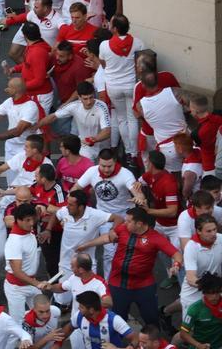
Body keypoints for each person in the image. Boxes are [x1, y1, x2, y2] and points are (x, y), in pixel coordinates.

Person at [76, 207, 182, 328]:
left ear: (139, 224)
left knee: (151, 319)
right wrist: (86, 245)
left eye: (129, 221)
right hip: (118, 284)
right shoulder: (123, 229)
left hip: (143, 286)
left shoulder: (155, 238)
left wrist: (176, 265)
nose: (125, 223)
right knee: (117, 320)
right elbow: (106, 238)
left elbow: (176, 254)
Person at [47, 190, 120, 306]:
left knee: (87, 301)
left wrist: (112, 230)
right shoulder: (65, 211)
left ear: (80, 207)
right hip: (66, 265)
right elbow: (56, 215)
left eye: (71, 205)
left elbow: (118, 218)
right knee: (63, 300)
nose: (67, 207)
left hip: (87, 267)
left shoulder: (95, 215)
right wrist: (48, 230)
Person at [99, 15, 144, 162]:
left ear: (115, 29)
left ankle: (129, 150)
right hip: (131, 85)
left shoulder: (104, 45)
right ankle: (134, 153)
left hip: (113, 86)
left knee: (121, 119)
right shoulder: (138, 43)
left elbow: (103, 64)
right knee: (132, 119)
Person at [36, 81, 111, 160]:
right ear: (79, 97)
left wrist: (94, 139)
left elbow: (107, 131)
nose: (89, 102)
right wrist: (36, 126)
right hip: (85, 146)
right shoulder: (74, 106)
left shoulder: (101, 106)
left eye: (91, 97)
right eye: (85, 99)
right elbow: (53, 116)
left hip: (102, 145)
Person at [3, 203, 47, 325]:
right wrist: (37, 283)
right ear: (18, 220)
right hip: (16, 288)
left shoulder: (28, 230)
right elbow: (17, 272)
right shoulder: (14, 242)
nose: (31, 223)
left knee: (43, 316)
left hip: (30, 283)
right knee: (17, 324)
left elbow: (37, 213)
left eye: (32, 219)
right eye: (27, 220)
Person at [56, 291, 136, 349]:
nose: (78, 308)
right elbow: (69, 328)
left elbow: (135, 339)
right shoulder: (79, 316)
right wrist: (57, 344)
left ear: (91, 310)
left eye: (82, 307)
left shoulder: (114, 320)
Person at [180, 215, 222, 314]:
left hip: (216, 290)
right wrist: (210, 288)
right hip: (193, 294)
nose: (213, 234)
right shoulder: (191, 247)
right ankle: (166, 312)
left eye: (214, 229)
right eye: (209, 231)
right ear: (199, 231)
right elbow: (191, 278)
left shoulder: (220, 239)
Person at [180, 273, 222, 349]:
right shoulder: (195, 309)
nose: (215, 296)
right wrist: (198, 345)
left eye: (217, 292)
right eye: (211, 293)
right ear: (204, 293)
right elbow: (183, 333)